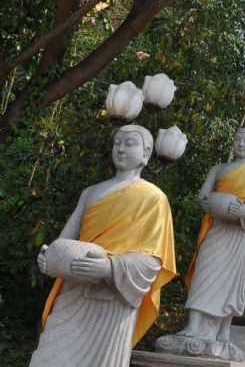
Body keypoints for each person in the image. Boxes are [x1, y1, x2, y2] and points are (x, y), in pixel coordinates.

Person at [32, 125, 176, 367]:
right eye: (117, 143)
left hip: (114, 295)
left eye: (129, 143)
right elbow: (64, 241)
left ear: (146, 152)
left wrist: (109, 268)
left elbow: (152, 262)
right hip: (74, 288)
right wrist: (48, 257)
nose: (120, 149)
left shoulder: (154, 199)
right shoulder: (90, 193)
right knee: (46, 357)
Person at [160, 128, 245, 361]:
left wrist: (244, 211)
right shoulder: (218, 169)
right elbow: (203, 197)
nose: (241, 143)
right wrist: (211, 204)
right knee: (204, 272)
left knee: (231, 281)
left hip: (240, 235)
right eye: (238, 139)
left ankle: (224, 331)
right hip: (216, 229)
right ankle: (193, 326)